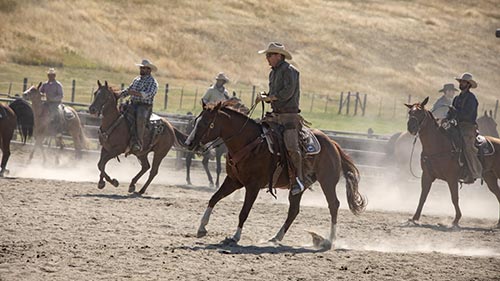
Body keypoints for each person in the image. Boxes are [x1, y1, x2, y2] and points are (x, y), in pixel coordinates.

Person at [256, 42, 304, 195]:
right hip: (275, 116)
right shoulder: (273, 73)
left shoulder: (291, 71)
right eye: (267, 55)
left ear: (278, 56)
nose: (267, 58)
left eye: (269, 55)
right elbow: (274, 93)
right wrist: (266, 96)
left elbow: (288, 92)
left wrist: (271, 97)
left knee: (291, 147)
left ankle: (298, 179)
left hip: (289, 117)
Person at [120, 59, 159, 152]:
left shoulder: (152, 82)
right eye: (141, 68)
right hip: (133, 104)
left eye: (144, 68)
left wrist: (135, 93)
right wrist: (118, 94)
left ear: (149, 70)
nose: (141, 70)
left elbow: (149, 94)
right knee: (120, 111)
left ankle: (139, 142)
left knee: (140, 117)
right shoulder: (136, 80)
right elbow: (128, 90)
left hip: (144, 106)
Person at [452, 72, 482, 183]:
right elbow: (452, 111)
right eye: (460, 81)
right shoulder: (456, 98)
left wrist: (456, 115)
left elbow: (469, 114)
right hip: (456, 125)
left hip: (468, 127)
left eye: (463, 82)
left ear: (468, 84)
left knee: (467, 146)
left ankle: (473, 172)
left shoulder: (472, 99)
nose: (461, 83)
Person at [39, 68, 64, 136]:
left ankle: (57, 129)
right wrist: (40, 94)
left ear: (54, 76)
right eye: (49, 75)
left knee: (56, 114)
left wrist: (52, 99)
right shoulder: (45, 84)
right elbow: (40, 91)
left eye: (51, 75)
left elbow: (60, 96)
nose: (50, 77)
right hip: (47, 103)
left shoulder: (58, 85)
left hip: (56, 103)